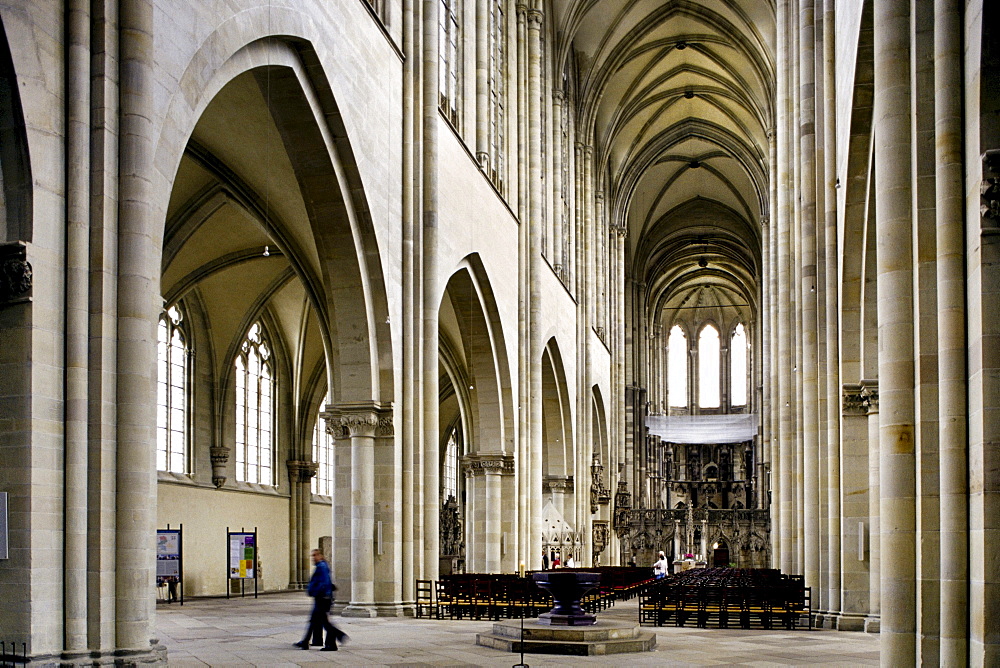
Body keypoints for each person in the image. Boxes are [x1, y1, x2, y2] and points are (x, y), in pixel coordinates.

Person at [295, 550, 347, 651]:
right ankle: (306, 641)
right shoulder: (321, 566)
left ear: (320, 555)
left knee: (324, 622)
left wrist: (317, 592)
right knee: (314, 620)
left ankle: (337, 637)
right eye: (312, 556)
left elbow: (324, 582)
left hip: (322, 598)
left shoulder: (322, 567)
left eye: (315, 555)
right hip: (322, 597)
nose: (313, 558)